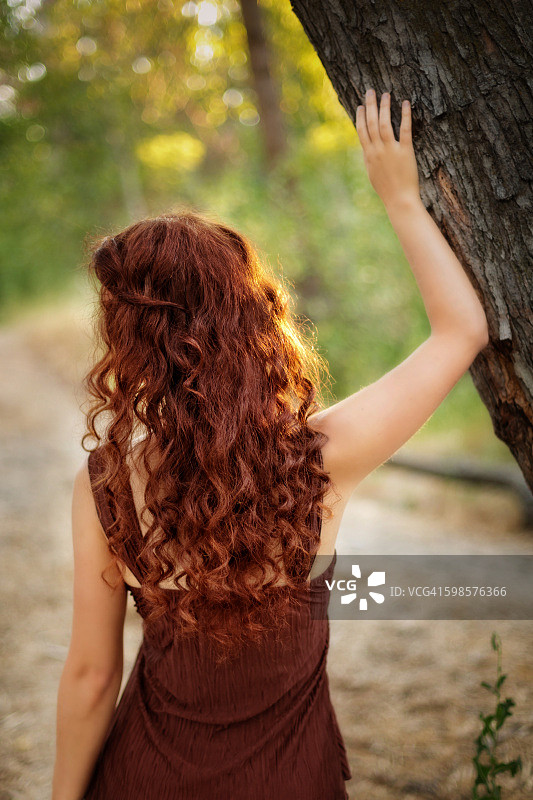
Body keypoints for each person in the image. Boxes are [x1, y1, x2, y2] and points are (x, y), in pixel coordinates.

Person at [52, 89, 489, 800]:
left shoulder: (106, 483)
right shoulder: (319, 458)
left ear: (128, 342)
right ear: (251, 317)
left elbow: (91, 676)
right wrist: (401, 199)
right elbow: (460, 331)